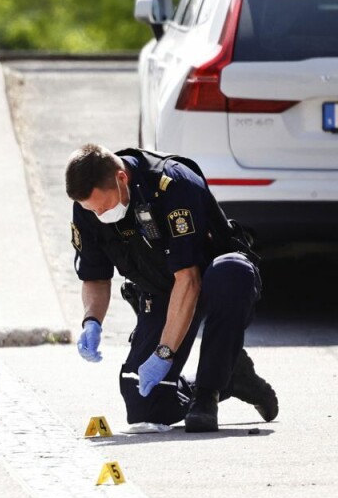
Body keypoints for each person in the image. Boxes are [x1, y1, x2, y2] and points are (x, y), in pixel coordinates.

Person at [65, 144, 278, 433]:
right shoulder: (88, 207)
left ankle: (207, 394)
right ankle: (233, 378)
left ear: (121, 178)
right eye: (92, 209)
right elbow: (95, 277)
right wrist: (92, 322)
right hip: (161, 290)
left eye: (102, 206)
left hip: (207, 276)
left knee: (232, 273)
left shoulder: (173, 184)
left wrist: (164, 353)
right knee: (145, 406)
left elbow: (189, 278)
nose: (99, 214)